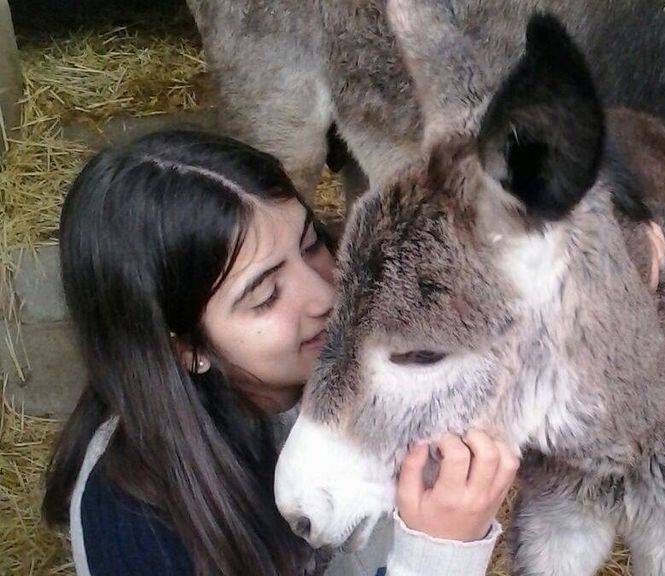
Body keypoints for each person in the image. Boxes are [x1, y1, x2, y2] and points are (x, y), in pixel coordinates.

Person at [41, 129, 519, 576]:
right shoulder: (135, 525)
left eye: (310, 245)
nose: (324, 296)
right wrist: (435, 556)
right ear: (186, 348)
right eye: (265, 296)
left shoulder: (334, 365)